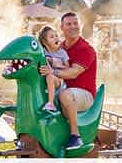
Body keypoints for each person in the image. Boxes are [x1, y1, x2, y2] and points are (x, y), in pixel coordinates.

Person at [39, 12, 97, 150]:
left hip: (84, 94)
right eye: (68, 24)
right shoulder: (59, 47)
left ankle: (75, 136)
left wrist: (53, 72)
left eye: (75, 23)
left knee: (65, 95)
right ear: (62, 27)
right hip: (63, 88)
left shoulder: (86, 49)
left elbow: (73, 73)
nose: (73, 27)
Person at [38, 26, 69, 111]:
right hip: (46, 81)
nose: (56, 38)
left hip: (59, 82)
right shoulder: (43, 53)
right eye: (52, 37)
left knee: (50, 76)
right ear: (45, 42)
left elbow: (67, 68)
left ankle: (51, 104)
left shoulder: (62, 53)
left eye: (56, 35)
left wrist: (54, 62)